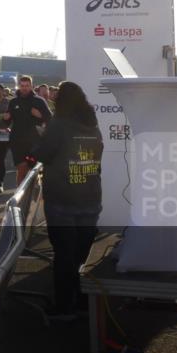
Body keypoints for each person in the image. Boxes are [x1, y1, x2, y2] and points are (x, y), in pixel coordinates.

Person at [27, 81, 103, 321]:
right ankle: (82, 301)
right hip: (90, 196)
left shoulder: (58, 124)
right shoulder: (93, 125)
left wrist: (37, 141)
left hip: (62, 198)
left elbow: (43, 154)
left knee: (64, 254)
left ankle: (63, 307)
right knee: (82, 255)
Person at [4, 76, 52, 185]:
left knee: (34, 171)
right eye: (22, 86)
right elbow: (7, 121)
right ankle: (20, 198)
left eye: (27, 86)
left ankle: (34, 191)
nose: (24, 88)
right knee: (22, 168)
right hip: (17, 141)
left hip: (35, 141)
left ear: (31, 86)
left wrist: (40, 115)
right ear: (18, 86)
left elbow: (50, 119)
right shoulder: (13, 101)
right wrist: (6, 118)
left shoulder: (39, 101)